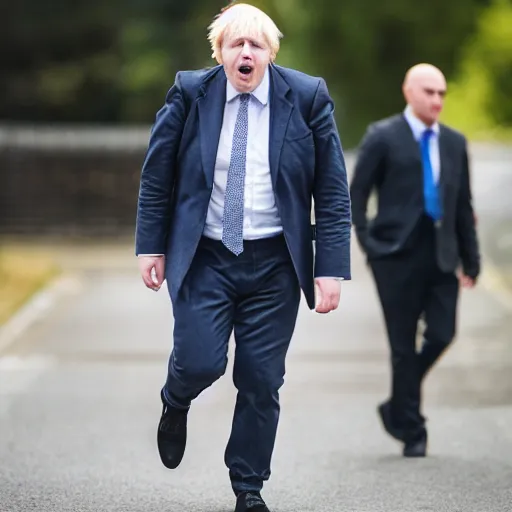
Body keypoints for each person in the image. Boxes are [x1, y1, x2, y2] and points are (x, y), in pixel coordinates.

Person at [135, 3, 351, 511]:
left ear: (271, 53)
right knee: (199, 361)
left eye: (256, 45)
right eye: (237, 44)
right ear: (221, 53)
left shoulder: (307, 97)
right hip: (206, 256)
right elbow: (156, 173)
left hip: (276, 263)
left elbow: (333, 189)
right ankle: (175, 399)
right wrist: (151, 245)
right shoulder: (192, 93)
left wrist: (330, 267)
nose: (247, 53)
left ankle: (248, 487)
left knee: (261, 377)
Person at [350, 63, 480, 458]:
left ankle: (397, 402)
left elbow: (462, 205)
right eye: (429, 92)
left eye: (441, 93)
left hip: (442, 255)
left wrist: (471, 260)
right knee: (403, 346)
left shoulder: (454, 142)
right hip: (395, 257)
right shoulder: (382, 136)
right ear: (409, 92)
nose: (436, 100)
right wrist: (370, 244)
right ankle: (412, 428)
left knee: (442, 334)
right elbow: (356, 196)